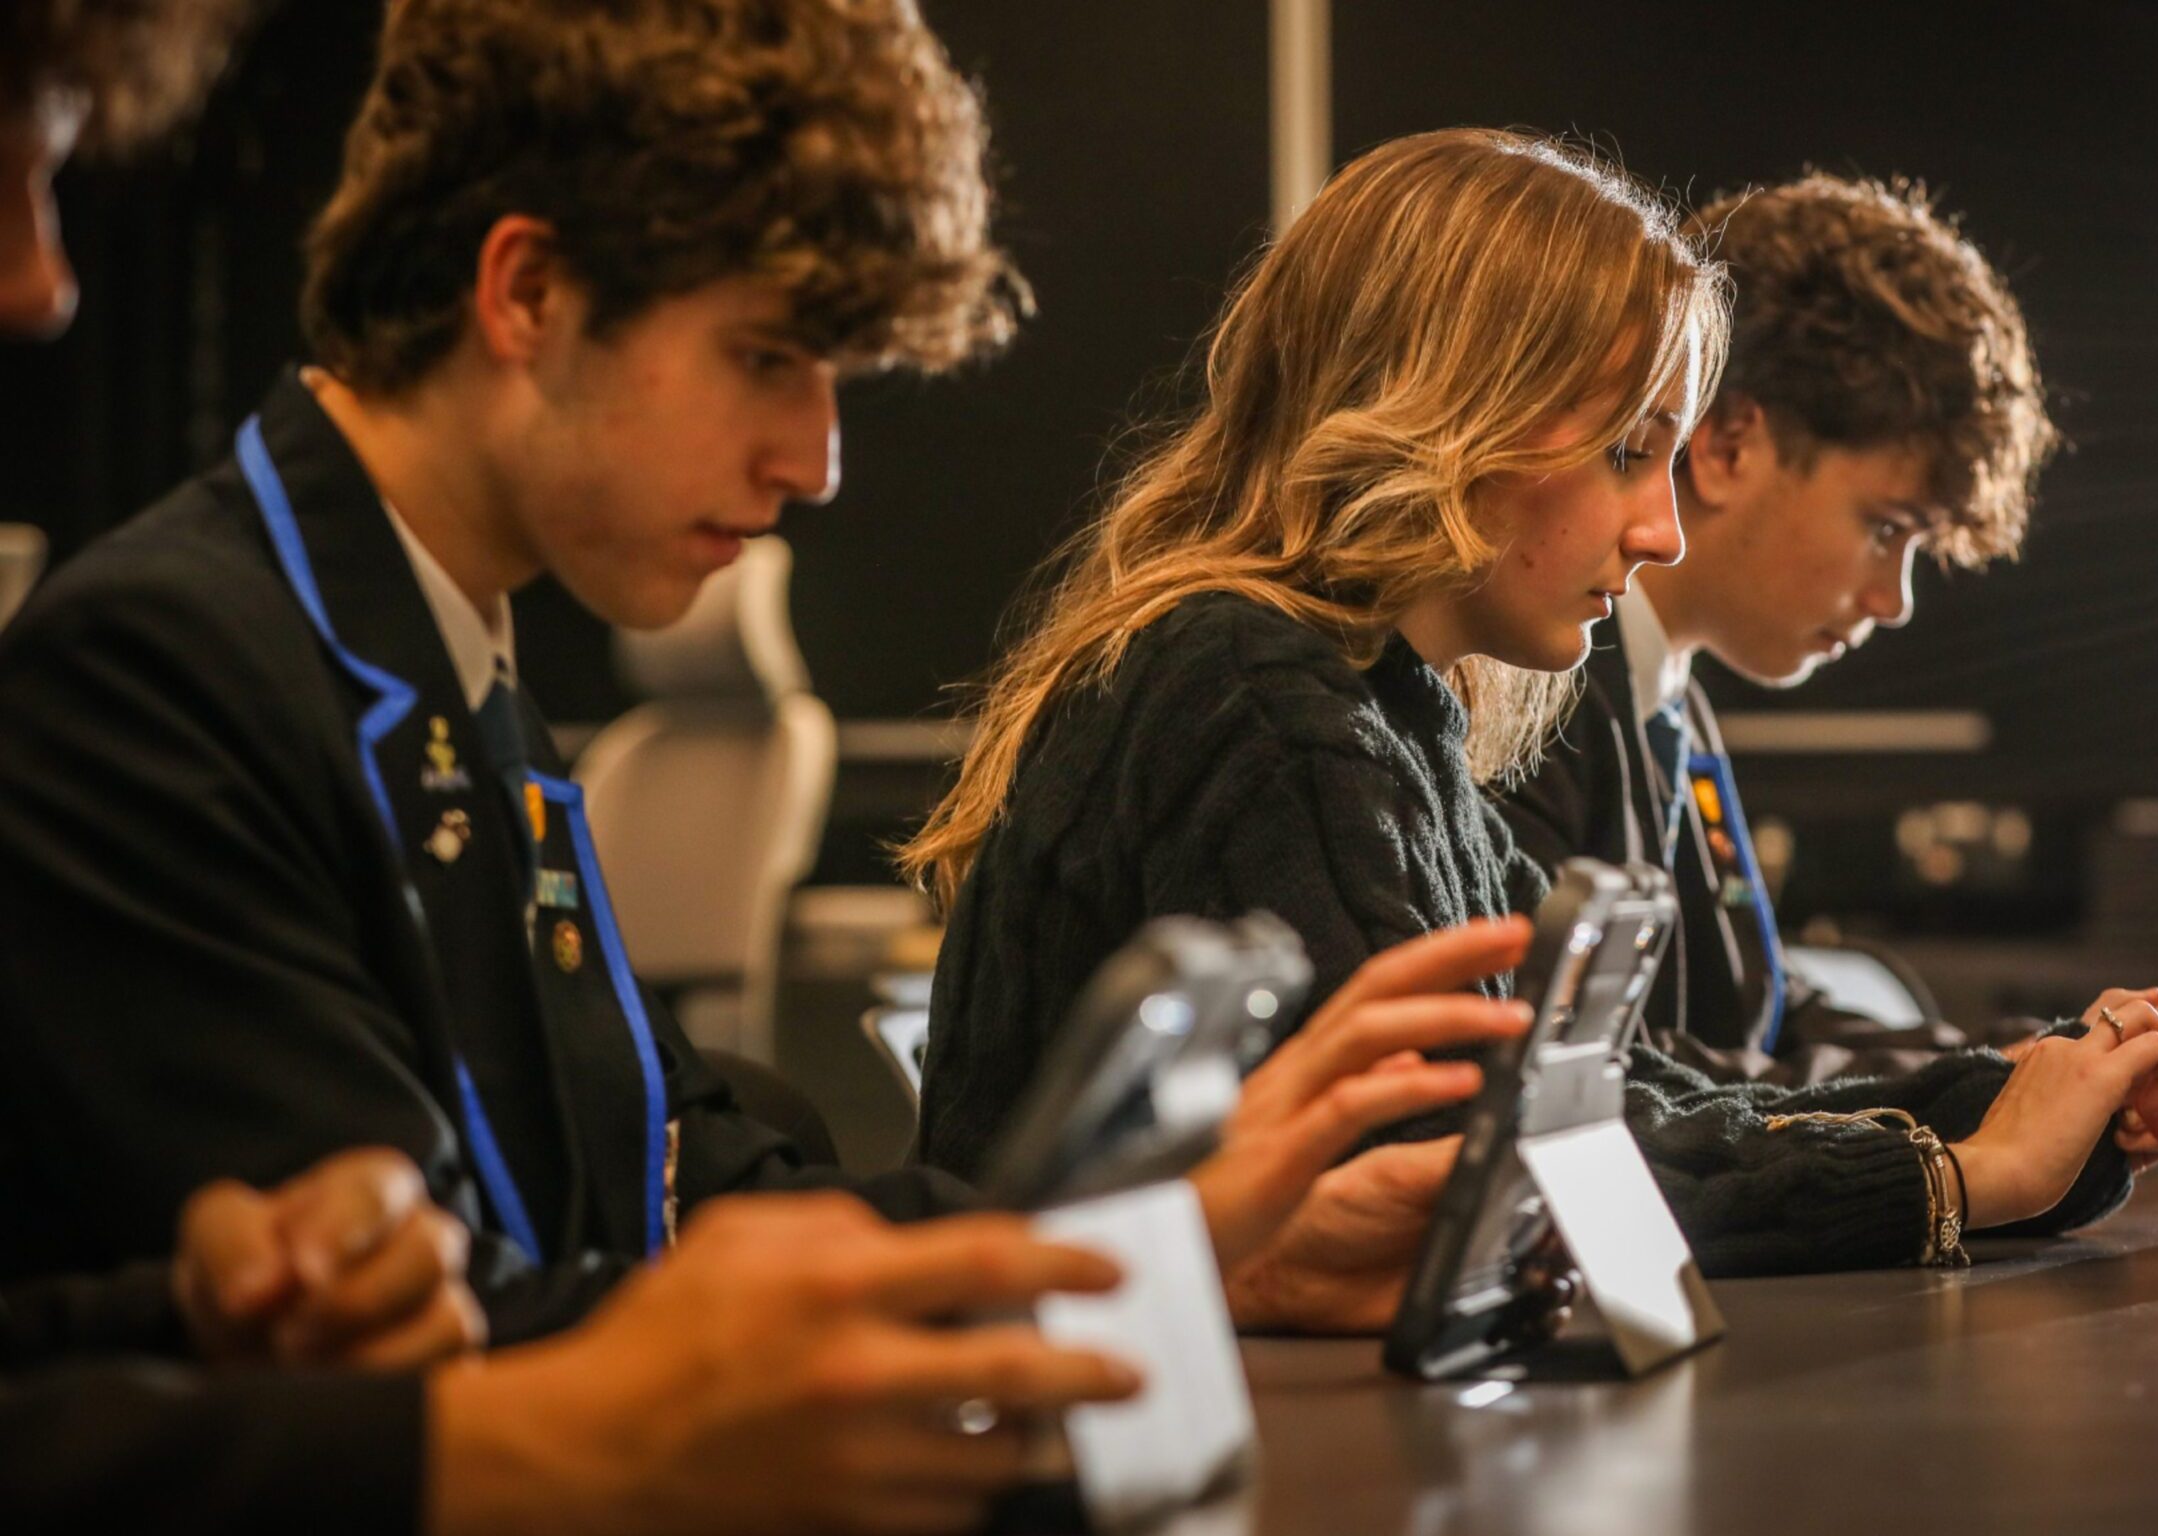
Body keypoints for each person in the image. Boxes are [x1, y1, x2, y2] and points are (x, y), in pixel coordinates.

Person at [0, 0, 1526, 1346]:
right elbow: (436, 1337)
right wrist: (1146, 1244)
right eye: (768, 358)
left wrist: (1190, 1247)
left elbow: (687, 1178)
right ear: (527, 293)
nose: (817, 463)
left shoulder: (462, 671)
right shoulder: (163, 679)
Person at [904, 128, 2158, 1273]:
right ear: (1446, 415)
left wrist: (2010, 1099)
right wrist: (1967, 1178)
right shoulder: (1250, 691)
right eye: (1625, 453)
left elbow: (1630, 1086)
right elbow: (1482, 1170)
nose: (1664, 532)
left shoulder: (1387, 700)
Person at [1496, 172, 2158, 1090]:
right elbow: (1627, 1085)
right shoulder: (1537, 699)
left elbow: (1762, 1022)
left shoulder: (1670, 701)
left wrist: (2083, 1052)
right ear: (1732, 445)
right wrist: (1997, 1100)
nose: (1894, 600)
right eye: (1886, 529)